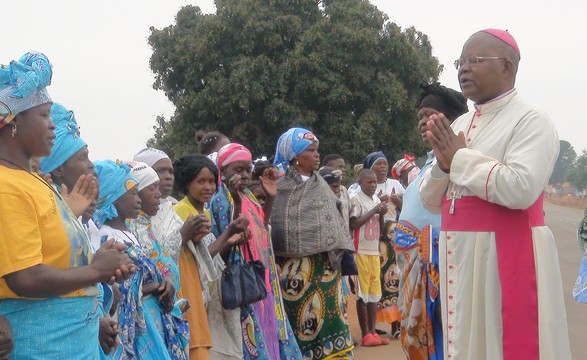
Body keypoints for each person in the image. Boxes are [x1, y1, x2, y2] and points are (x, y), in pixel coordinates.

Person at [420, 29, 571, 359]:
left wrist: (457, 158)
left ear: (506, 66)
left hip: (504, 253)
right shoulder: (460, 121)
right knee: (464, 344)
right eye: (460, 61)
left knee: (503, 344)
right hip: (459, 254)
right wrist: (444, 164)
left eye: (474, 60)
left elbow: (521, 188)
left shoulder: (532, 119)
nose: (463, 69)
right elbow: (430, 200)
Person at [0, 51, 133, 359]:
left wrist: (101, 262)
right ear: (14, 121)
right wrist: (95, 272)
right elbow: (25, 278)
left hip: (70, 341)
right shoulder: (7, 186)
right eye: (44, 115)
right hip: (42, 345)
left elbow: (55, 261)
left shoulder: (32, 182)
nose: (53, 126)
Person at [39, 101, 119, 358]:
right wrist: (96, 270)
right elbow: (38, 269)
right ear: (59, 167)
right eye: (82, 157)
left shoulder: (77, 215)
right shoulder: (41, 199)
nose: (90, 166)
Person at [394, 81, 468, 359]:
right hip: (415, 267)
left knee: (445, 336)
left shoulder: (460, 157)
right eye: (420, 117)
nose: (422, 122)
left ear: (453, 119)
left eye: (429, 115)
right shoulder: (428, 162)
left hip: (442, 266)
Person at [211, 142, 302, 360]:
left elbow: (262, 227)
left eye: (247, 169)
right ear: (222, 172)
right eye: (237, 169)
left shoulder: (249, 196)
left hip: (263, 278)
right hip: (245, 285)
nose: (244, 174)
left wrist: (270, 197)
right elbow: (229, 245)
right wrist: (236, 202)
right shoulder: (221, 201)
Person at [271, 128, 355, 359]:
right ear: (295, 155)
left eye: (317, 150)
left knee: (334, 320)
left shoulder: (321, 183)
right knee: (301, 325)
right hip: (295, 273)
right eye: (311, 150)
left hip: (327, 269)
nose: (317, 155)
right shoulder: (279, 185)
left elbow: (336, 219)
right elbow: (273, 223)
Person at [94, 159, 189, 359]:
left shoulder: (129, 232)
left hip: (151, 319)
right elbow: (112, 289)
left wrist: (164, 283)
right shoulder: (105, 236)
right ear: (114, 197)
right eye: (133, 194)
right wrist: (153, 287)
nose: (138, 200)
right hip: (133, 327)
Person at [173, 153, 250, 360]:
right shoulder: (181, 212)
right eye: (201, 181)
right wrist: (228, 234)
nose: (208, 187)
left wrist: (235, 210)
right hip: (190, 287)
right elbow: (203, 256)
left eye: (211, 182)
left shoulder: (203, 211)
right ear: (187, 183)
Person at [354, 151, 404, 336]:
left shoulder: (395, 185)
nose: (383, 166)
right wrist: (377, 208)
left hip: (391, 237)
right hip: (369, 242)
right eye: (379, 164)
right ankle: (370, 328)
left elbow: (406, 208)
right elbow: (354, 219)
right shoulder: (357, 192)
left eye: (385, 163)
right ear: (370, 168)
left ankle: (395, 326)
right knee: (372, 284)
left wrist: (399, 203)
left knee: (392, 279)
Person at [349, 169, 390, 347]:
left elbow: (380, 229)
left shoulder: (375, 200)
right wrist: (375, 209)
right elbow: (354, 223)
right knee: (362, 294)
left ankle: (373, 332)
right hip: (360, 251)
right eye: (369, 182)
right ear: (360, 183)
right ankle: (365, 333)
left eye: (374, 182)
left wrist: (380, 213)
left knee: (374, 294)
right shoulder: (356, 199)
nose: (373, 185)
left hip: (373, 251)